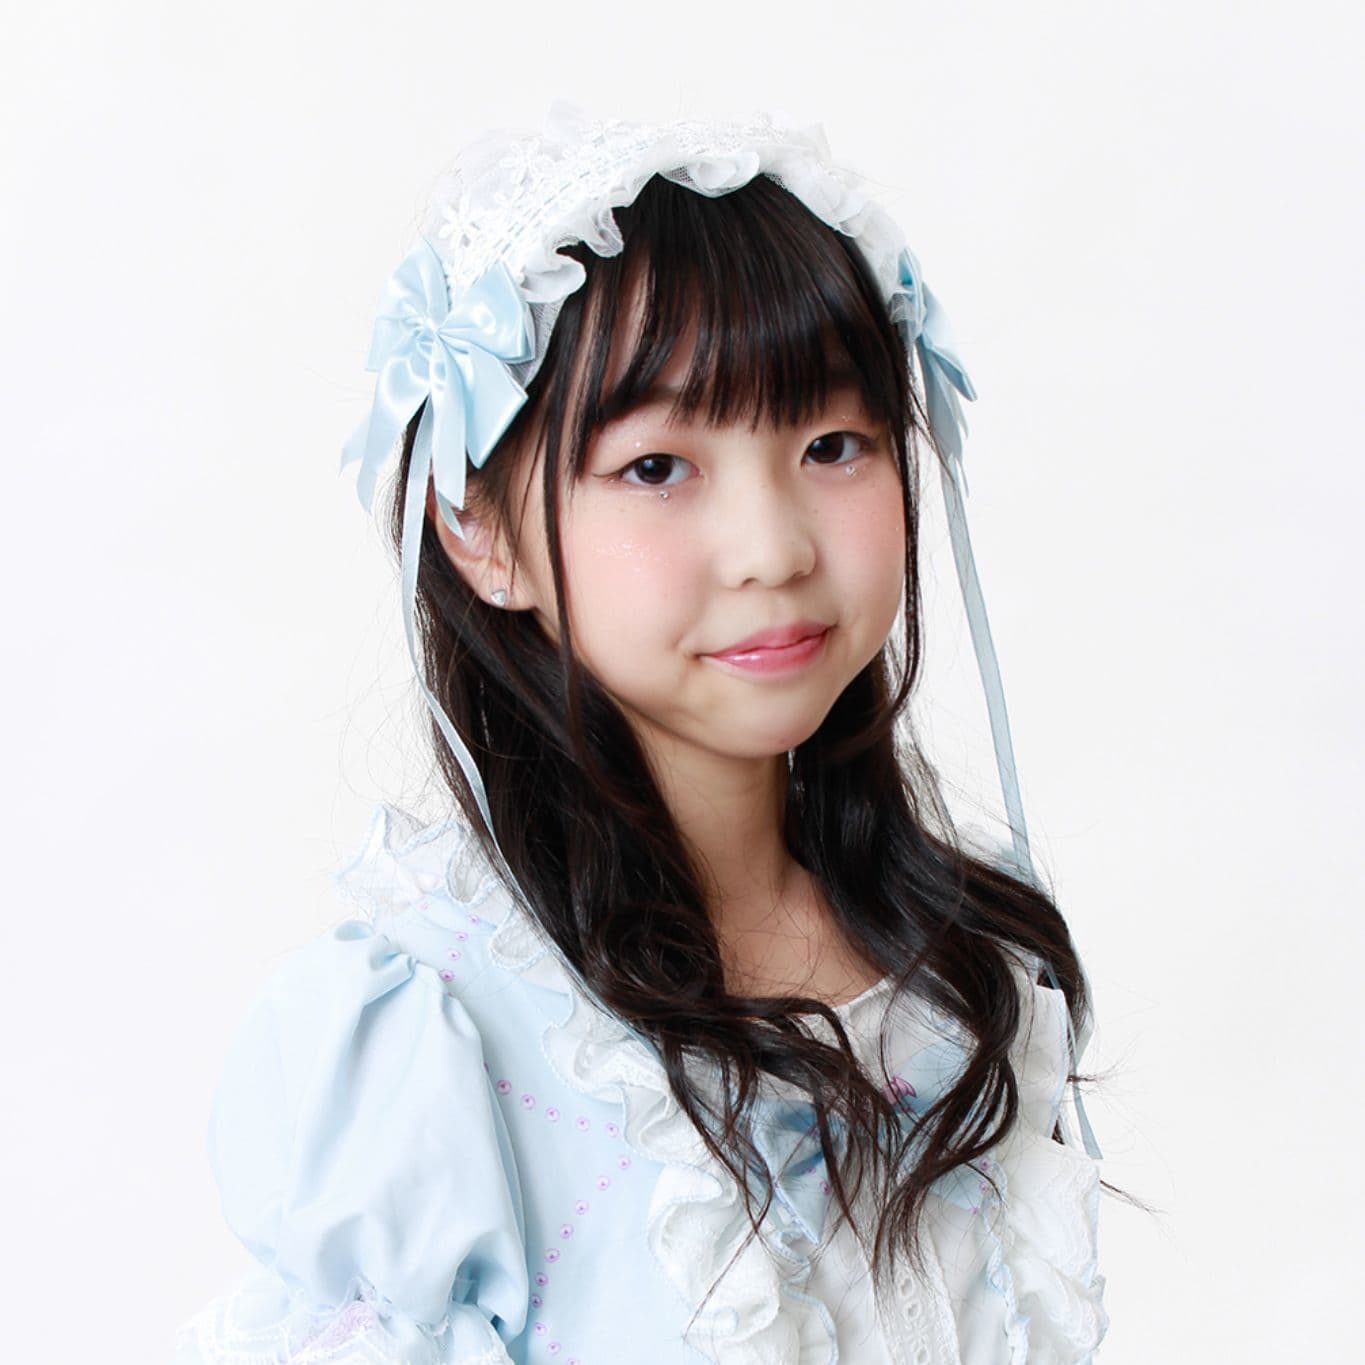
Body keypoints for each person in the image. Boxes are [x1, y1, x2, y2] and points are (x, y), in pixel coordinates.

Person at [173, 102, 1110, 1363]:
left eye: (833, 444)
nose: (773, 549)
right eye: (659, 467)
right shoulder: (444, 1042)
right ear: (482, 531)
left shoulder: (960, 957)